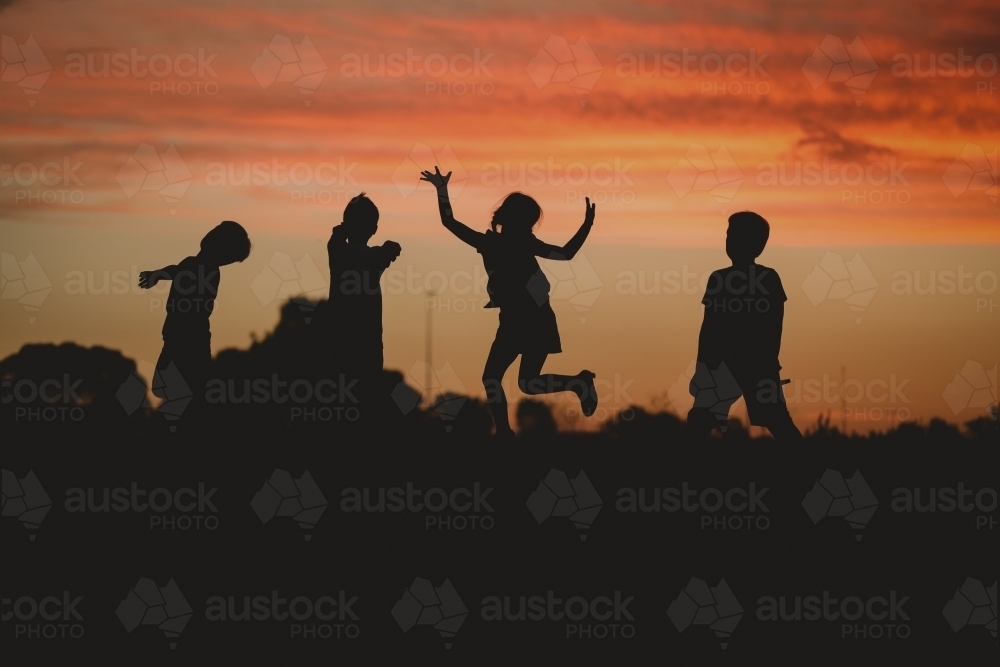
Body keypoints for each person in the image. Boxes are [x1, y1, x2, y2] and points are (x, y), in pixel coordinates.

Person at [420, 166, 598, 439]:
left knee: (503, 378)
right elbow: (566, 254)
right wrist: (586, 225)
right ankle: (576, 384)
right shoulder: (508, 243)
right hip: (527, 318)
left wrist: (442, 190)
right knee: (524, 382)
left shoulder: (505, 243)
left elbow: (566, 254)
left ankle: (506, 429)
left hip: (529, 318)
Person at [687, 211, 803, 443]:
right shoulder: (721, 279)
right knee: (699, 424)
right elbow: (709, 328)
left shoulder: (766, 279)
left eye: (735, 236)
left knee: (778, 422)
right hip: (727, 367)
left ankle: (811, 470)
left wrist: (768, 364)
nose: (729, 241)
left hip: (752, 367)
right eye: (728, 235)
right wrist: (702, 368)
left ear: (755, 244)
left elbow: (773, 327)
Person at [139, 221, 252, 409]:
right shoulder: (194, 264)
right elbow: (177, 270)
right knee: (172, 386)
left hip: (189, 337)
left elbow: (179, 271)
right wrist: (159, 274)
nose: (210, 235)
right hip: (180, 335)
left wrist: (159, 274)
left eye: (217, 236)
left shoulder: (205, 269)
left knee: (176, 387)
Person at [326, 193, 401, 412]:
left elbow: (340, 239)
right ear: (374, 229)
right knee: (363, 402)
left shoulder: (339, 249)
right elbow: (382, 253)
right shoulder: (371, 256)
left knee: (346, 402)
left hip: (345, 341)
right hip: (363, 342)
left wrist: (343, 228)